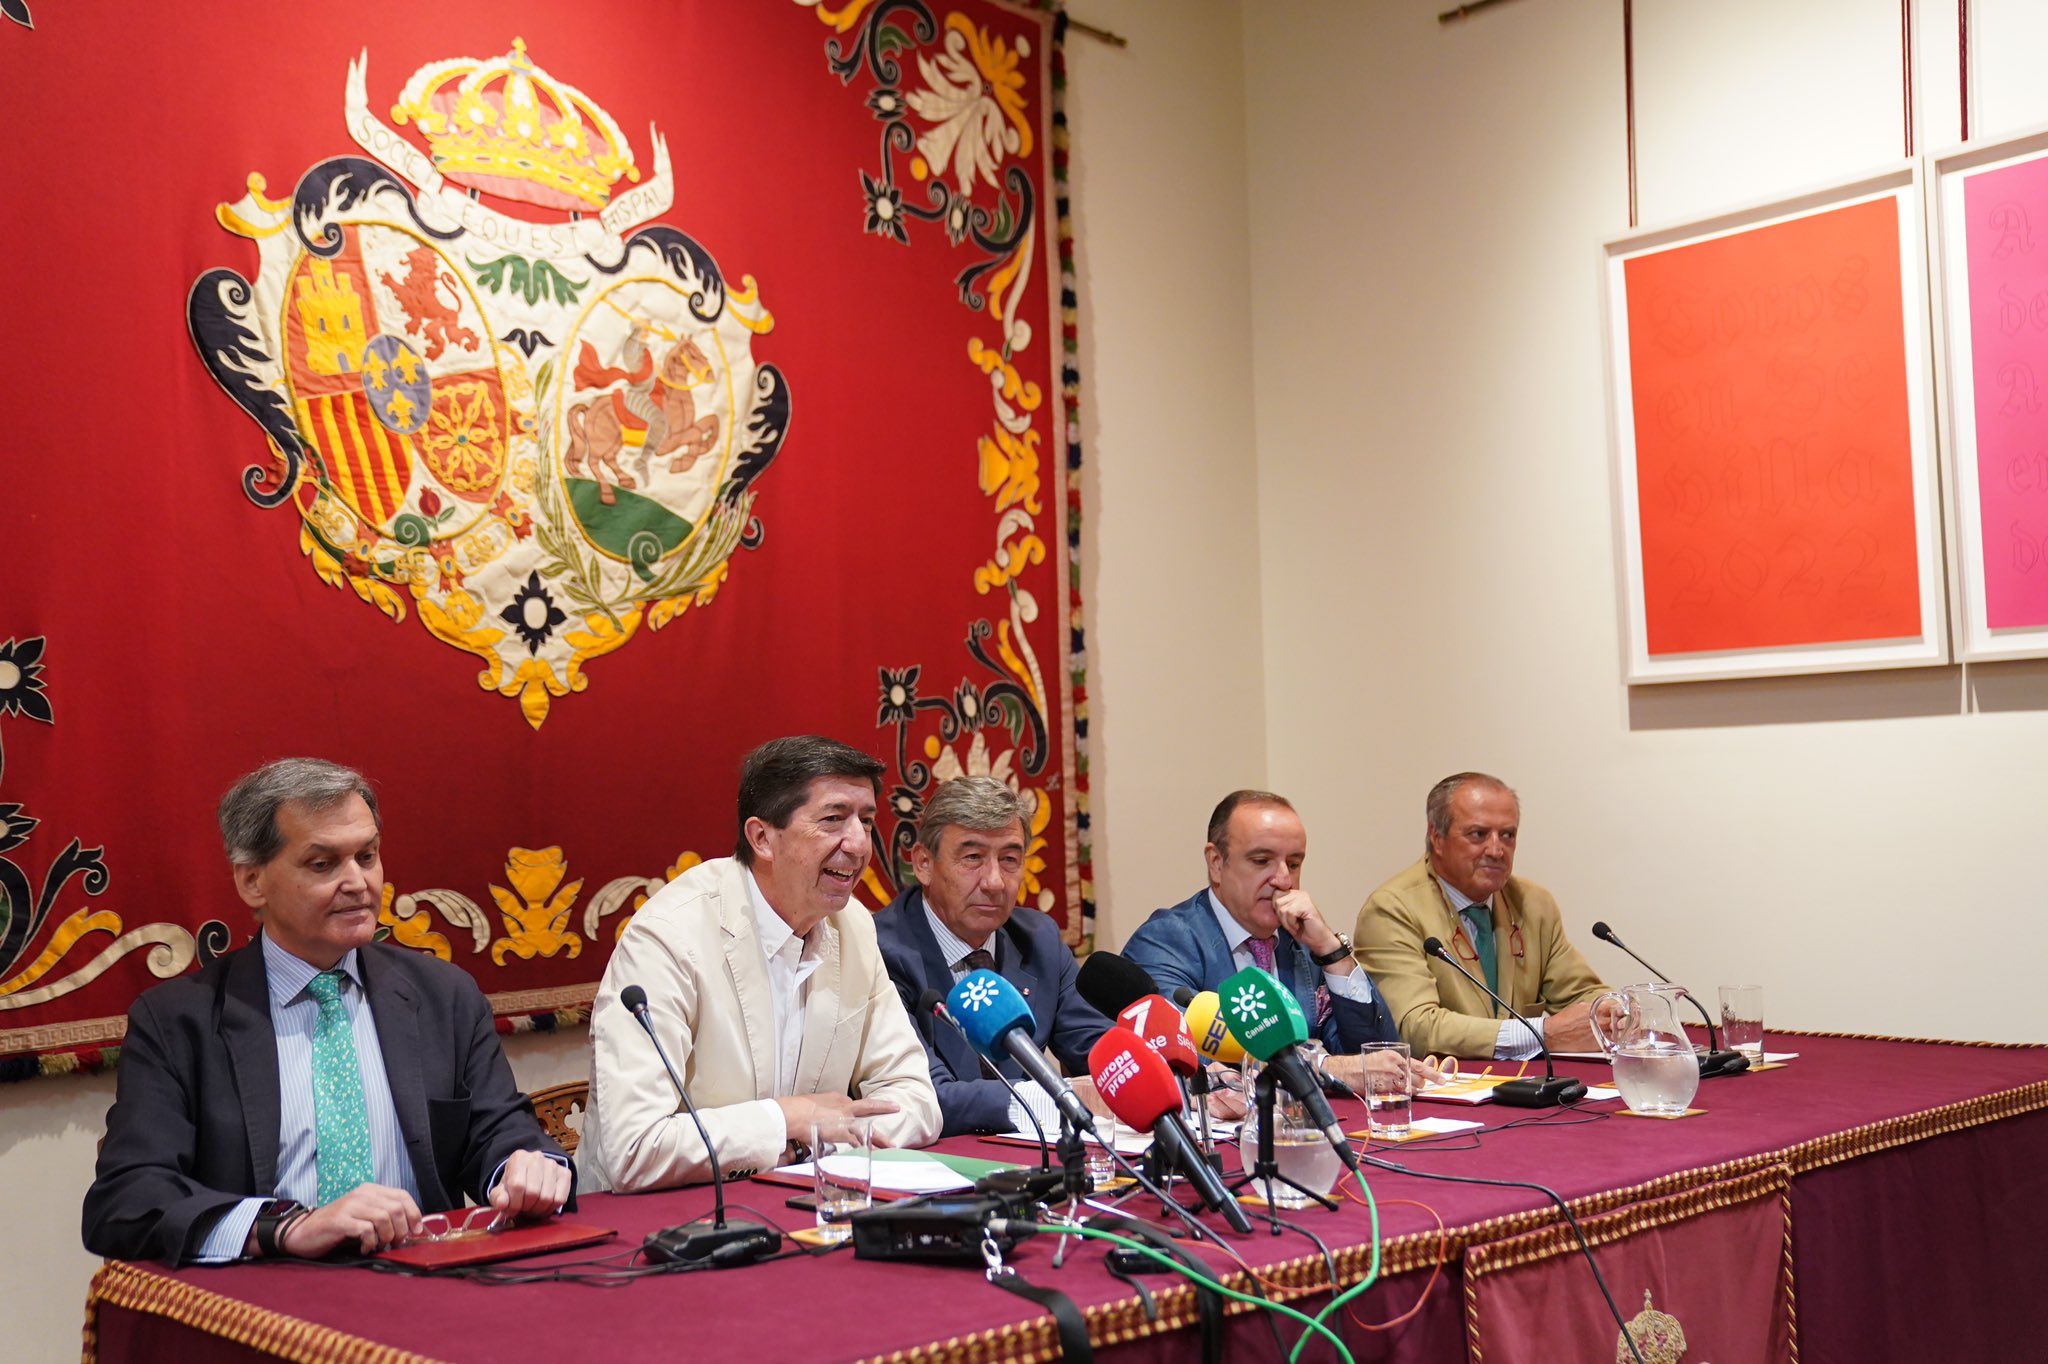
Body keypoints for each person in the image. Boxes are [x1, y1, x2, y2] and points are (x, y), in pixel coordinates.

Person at [82, 759, 572, 1266]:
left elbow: (500, 1132)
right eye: (323, 864)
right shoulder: (178, 1023)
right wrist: (286, 1227)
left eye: (367, 856)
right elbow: (126, 1202)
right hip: (265, 1300)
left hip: (426, 1285)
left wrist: (525, 1167)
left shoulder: (442, 995)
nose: (357, 882)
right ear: (253, 882)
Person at [579, 736, 940, 1191]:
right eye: (833, 820)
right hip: (646, 1232)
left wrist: (813, 1145)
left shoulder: (853, 927)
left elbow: (916, 1098)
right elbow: (633, 1149)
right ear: (762, 838)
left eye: (866, 822)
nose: (859, 844)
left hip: (797, 1210)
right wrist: (788, 1119)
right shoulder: (670, 936)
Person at [1123, 791, 1437, 1094]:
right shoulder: (1167, 941)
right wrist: (1324, 1066)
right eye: (1262, 861)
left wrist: (1332, 951)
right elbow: (1185, 1060)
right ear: (1216, 863)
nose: (1284, 880)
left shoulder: (1301, 941)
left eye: (1295, 863)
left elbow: (1368, 1057)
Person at [874, 776, 1110, 1136]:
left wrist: (1154, 1074)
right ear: (923, 863)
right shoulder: (883, 952)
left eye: (1010, 859)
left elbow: (1096, 1047)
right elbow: (923, 1096)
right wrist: (1058, 1097)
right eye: (972, 858)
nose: (995, 882)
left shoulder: (1038, 940)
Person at [1355, 772, 1609, 1059]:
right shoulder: (1392, 909)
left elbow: (1582, 996)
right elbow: (1414, 1027)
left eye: (1507, 835)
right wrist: (1543, 1032)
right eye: (1478, 834)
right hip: (1445, 1092)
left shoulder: (1533, 904)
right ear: (1437, 838)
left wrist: (1616, 1014)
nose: (1496, 850)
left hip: (1525, 1087)